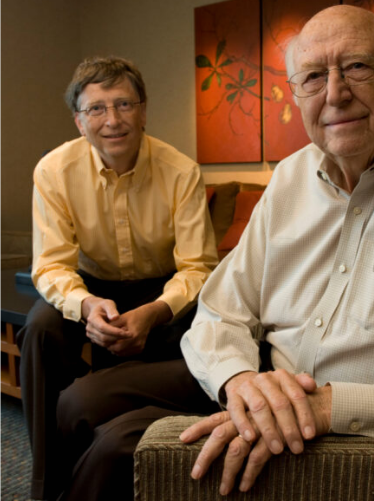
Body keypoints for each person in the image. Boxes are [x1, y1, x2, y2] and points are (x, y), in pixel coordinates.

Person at [55, 5, 374, 500]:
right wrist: (240, 381)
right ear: (296, 93)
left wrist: (329, 407)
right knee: (81, 401)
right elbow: (219, 310)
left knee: (118, 450)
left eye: (358, 67)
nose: (335, 94)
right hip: (266, 375)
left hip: (358, 415)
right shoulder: (291, 176)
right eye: (314, 76)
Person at [15, 55, 219, 501]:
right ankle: (47, 483)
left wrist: (155, 311)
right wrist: (86, 304)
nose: (113, 120)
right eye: (97, 109)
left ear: (143, 111)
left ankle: (156, 458)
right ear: (79, 121)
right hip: (91, 286)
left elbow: (197, 267)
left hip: (162, 289)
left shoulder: (181, 171)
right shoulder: (53, 170)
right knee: (40, 330)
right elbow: (50, 265)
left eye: (124, 104)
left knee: (207, 328)